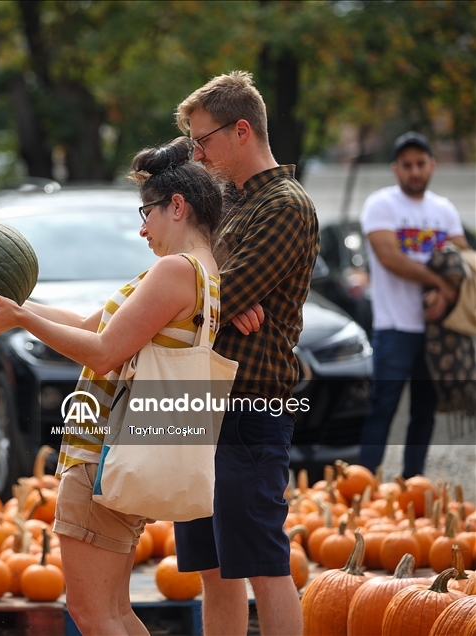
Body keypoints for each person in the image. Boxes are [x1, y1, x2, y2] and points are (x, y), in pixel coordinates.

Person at [0, 136, 224, 635]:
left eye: (146, 213)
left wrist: (23, 320)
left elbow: (103, 353)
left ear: (178, 207)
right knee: (116, 611)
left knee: (91, 612)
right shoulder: (205, 273)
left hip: (103, 452)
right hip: (130, 453)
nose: (142, 228)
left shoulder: (173, 271)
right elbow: (88, 324)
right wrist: (19, 315)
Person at [172, 71, 319, 636]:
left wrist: (216, 296)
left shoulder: (285, 205)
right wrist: (213, 293)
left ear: (240, 130)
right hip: (199, 401)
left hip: (250, 405)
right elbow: (184, 274)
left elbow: (213, 294)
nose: (196, 153)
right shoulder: (225, 203)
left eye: (202, 140)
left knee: (262, 564)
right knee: (214, 570)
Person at [358, 131, 468, 479]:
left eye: (421, 164)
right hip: (394, 327)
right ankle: (362, 486)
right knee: (383, 409)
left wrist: (448, 295)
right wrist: (439, 282)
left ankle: (412, 485)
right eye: (407, 165)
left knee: (425, 412)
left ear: (432, 165)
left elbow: (464, 259)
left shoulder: (444, 209)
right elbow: (390, 257)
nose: (415, 171)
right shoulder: (381, 204)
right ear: (395, 169)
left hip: (437, 332)